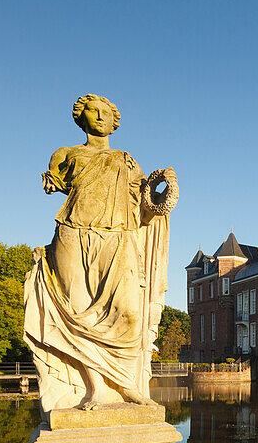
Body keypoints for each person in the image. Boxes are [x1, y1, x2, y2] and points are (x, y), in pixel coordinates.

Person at [24, 94, 177, 412]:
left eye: (106, 112)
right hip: (73, 234)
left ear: (114, 120)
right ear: (81, 116)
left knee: (130, 315)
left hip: (118, 237)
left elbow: (144, 213)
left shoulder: (127, 161)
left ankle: (127, 384)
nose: (99, 116)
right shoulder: (66, 154)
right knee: (79, 313)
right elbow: (53, 184)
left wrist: (165, 196)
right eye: (93, 111)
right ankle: (95, 389)